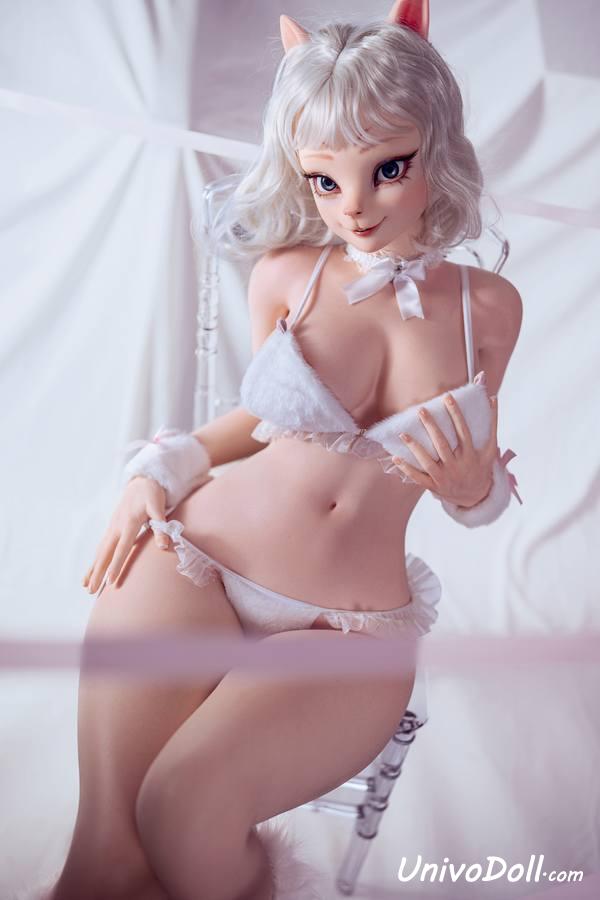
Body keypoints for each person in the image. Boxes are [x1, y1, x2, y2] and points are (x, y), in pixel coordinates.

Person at [27, 1, 523, 898]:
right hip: (200, 556)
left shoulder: (484, 310)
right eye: (324, 179)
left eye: (388, 168)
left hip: (350, 626)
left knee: (181, 812)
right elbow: (253, 424)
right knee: (103, 856)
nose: (354, 206)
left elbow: (476, 490)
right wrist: (154, 471)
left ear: (437, 150)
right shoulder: (288, 275)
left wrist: (473, 488)